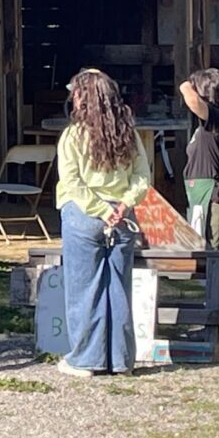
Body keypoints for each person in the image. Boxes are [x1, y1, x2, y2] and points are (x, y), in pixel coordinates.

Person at [55, 68, 150, 378]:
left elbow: (71, 180)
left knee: (85, 289)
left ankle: (86, 359)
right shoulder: (128, 133)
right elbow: (143, 177)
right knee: (119, 289)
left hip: (85, 216)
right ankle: (122, 360)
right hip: (122, 215)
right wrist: (122, 205)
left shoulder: (73, 135)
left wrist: (98, 208)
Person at [180, 69, 219, 249]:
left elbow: (193, 102)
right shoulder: (215, 123)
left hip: (212, 199)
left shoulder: (216, 116)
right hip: (202, 195)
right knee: (204, 259)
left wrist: (186, 85)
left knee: (212, 259)